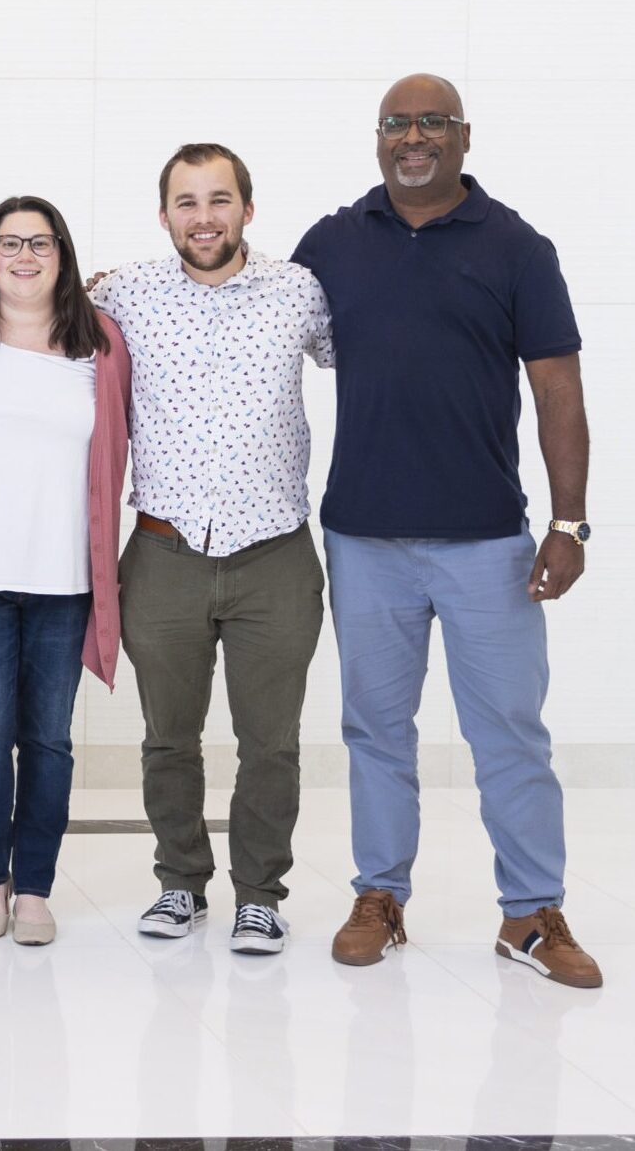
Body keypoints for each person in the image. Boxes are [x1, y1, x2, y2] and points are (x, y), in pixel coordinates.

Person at [295, 73, 600, 989]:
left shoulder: (516, 247)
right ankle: (379, 897)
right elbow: (240, 307)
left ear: (464, 137)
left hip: (485, 543)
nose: (414, 137)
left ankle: (532, 913)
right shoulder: (333, 243)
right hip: (364, 541)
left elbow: (559, 391)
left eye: (433, 122)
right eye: (399, 123)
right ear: (378, 138)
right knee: (375, 730)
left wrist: (570, 523)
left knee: (509, 731)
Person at [87, 145, 334, 955]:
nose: (204, 218)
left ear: (248, 211)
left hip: (275, 555)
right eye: (186, 203)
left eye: (219, 200)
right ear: (164, 216)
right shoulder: (125, 292)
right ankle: (180, 884)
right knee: (169, 736)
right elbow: (24, 302)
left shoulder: (299, 290)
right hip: (164, 554)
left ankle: (260, 895)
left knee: (272, 741)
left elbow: (377, 351)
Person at [0, 196, 128, 947]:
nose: (24, 257)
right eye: (8, 243)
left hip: (63, 580)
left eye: (39, 244)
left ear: (63, 254)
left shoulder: (99, 342)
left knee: (47, 740)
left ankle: (36, 887)